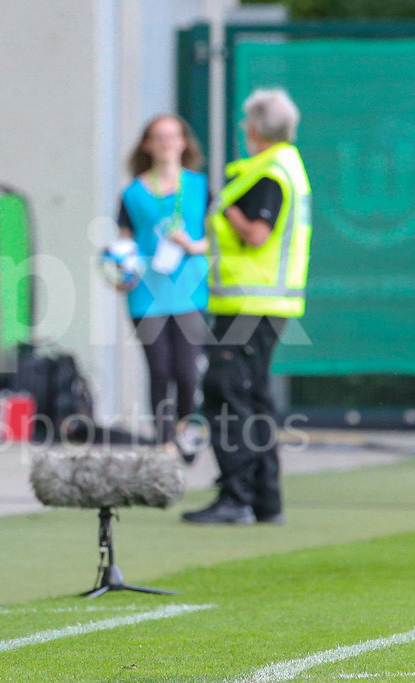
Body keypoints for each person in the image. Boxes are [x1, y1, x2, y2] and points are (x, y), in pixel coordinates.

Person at [181, 88, 311, 525]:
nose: (242, 129)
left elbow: (256, 234)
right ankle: (265, 500)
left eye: (245, 122)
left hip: (249, 304)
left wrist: (229, 209)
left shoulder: (267, 173)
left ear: (256, 128)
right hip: (264, 303)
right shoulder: (285, 168)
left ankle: (236, 496)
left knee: (227, 396)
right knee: (253, 399)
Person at [116, 114, 209, 460]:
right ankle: (164, 442)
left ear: (184, 142)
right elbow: (123, 244)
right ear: (147, 144)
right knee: (159, 369)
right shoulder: (133, 193)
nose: (167, 143)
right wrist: (119, 272)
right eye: (159, 137)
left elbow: (216, 239)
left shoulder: (200, 186)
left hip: (190, 292)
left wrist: (193, 245)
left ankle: (186, 430)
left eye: (173, 136)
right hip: (146, 295)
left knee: (186, 372)